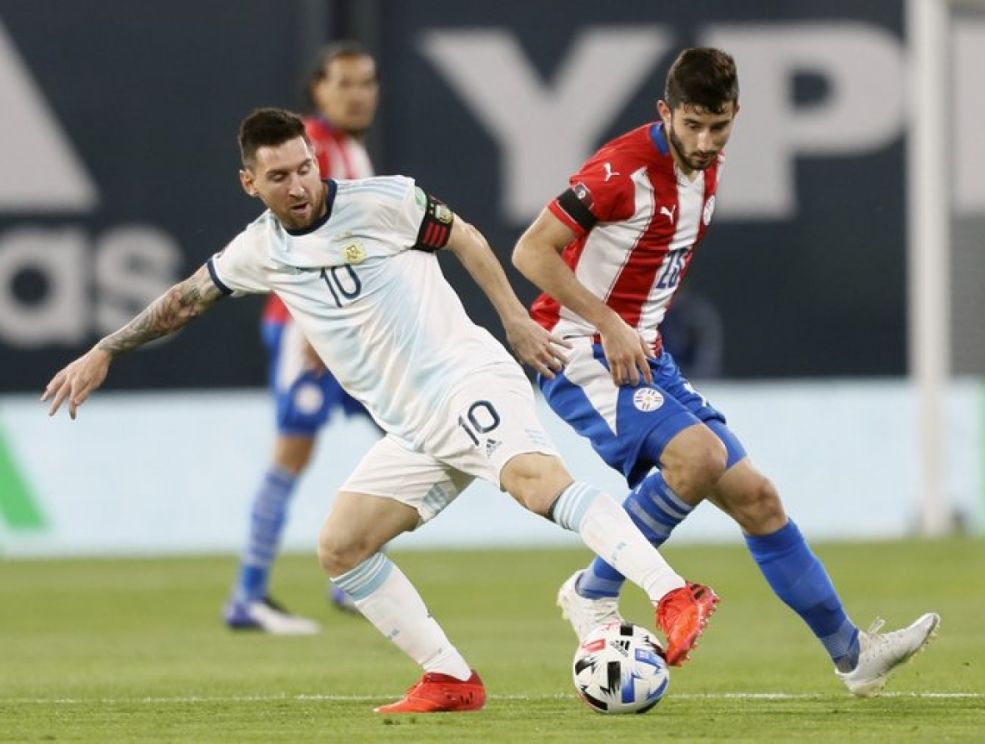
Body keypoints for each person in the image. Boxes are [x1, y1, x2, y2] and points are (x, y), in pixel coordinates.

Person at [43, 108, 720, 714]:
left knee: (535, 484)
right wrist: (105, 350)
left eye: (304, 167)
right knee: (342, 547)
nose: (299, 185)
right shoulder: (259, 250)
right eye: (279, 177)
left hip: (467, 380)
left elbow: (466, 237)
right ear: (250, 183)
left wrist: (515, 319)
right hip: (416, 427)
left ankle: (671, 593)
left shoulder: (384, 200)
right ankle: (451, 677)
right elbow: (184, 300)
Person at [511, 47, 939, 698]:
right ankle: (594, 589)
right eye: (692, 126)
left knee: (758, 499)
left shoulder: (705, 169)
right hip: (582, 350)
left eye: (719, 126)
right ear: (665, 112)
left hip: (645, 353)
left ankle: (853, 655)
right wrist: (610, 322)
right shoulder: (622, 170)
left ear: (736, 113)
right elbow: (531, 251)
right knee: (700, 458)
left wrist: (634, 331)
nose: (706, 142)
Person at [227, 41, 380, 634]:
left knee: (407, 436)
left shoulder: (350, 148)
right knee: (293, 452)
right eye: (344, 83)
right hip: (309, 330)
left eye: (366, 82)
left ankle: (352, 570)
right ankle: (248, 596)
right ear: (318, 88)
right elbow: (302, 247)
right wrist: (320, 326)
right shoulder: (308, 149)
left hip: (344, 330)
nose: (358, 95)